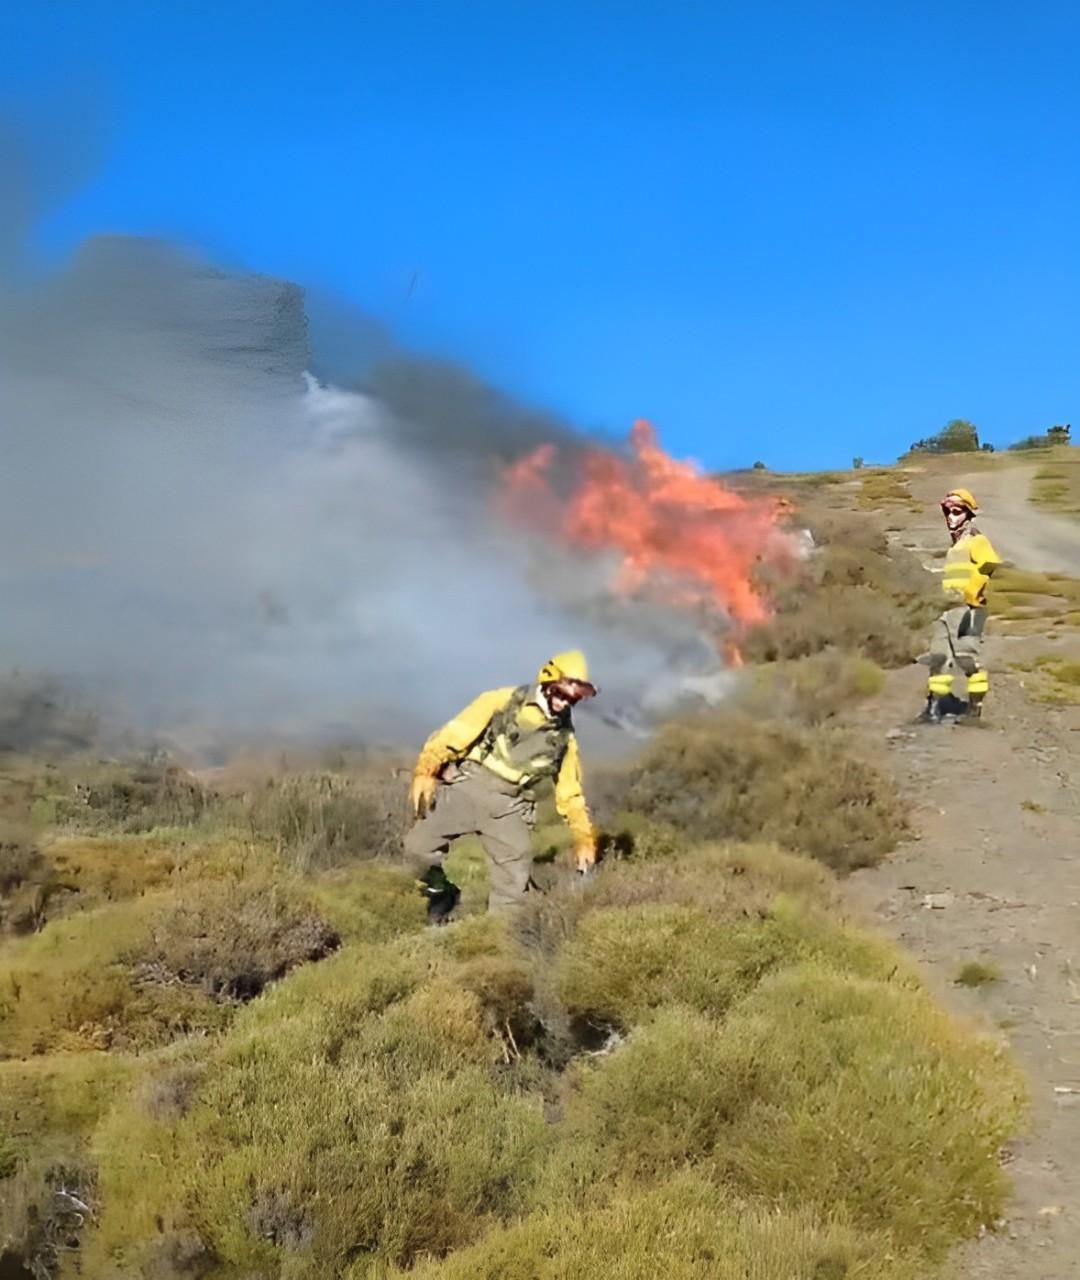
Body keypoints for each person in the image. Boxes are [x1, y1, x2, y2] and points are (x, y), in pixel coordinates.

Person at [405, 650, 599, 922]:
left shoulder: (564, 738)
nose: (565, 704)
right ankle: (442, 893)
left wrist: (583, 838)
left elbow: (571, 793)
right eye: (562, 694)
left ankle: (496, 945)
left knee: (512, 888)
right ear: (547, 681)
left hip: (510, 807)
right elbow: (455, 734)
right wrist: (426, 769)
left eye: (573, 699)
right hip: (467, 787)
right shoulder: (501, 701)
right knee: (416, 849)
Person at [920, 488, 1002, 723]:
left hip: (968, 609)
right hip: (946, 610)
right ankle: (933, 710)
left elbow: (990, 563)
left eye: (956, 512)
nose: (951, 517)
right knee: (938, 658)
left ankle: (974, 711)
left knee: (966, 657)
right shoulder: (955, 546)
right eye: (948, 512)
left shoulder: (976, 540)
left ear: (967, 514)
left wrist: (972, 592)